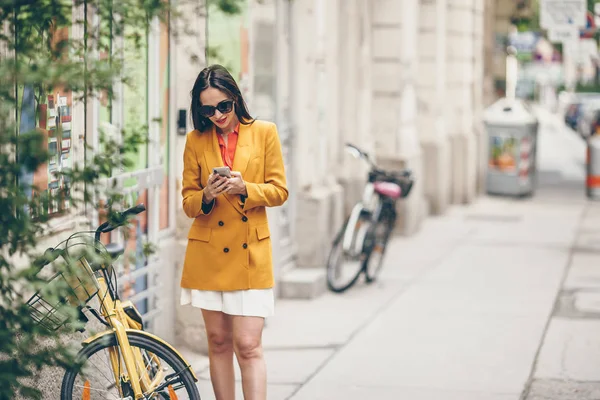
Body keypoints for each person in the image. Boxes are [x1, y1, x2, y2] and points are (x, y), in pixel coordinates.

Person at [180, 64, 288, 400]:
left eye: (223, 106)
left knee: (248, 344)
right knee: (218, 342)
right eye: (208, 109)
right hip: (208, 253)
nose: (217, 115)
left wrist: (246, 188)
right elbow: (187, 201)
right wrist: (207, 196)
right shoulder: (195, 140)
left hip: (249, 254)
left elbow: (280, 191)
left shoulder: (264, 132)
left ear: (236, 99)